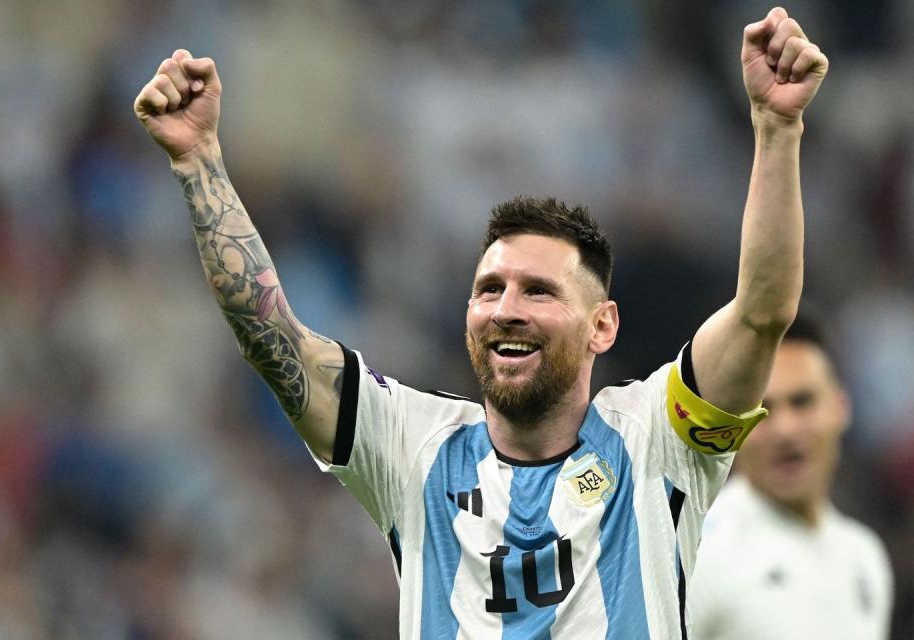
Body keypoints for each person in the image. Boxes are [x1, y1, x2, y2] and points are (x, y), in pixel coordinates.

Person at [133, 7, 828, 638]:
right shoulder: (411, 444)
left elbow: (763, 312)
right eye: (489, 289)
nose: (506, 309)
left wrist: (777, 129)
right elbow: (269, 334)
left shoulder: (657, 441)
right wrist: (199, 164)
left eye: (538, 292)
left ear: (602, 327)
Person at [687, 313, 894, 639]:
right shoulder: (697, 555)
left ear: (840, 407)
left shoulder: (864, 556)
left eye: (802, 402)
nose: (784, 430)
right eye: (762, 410)